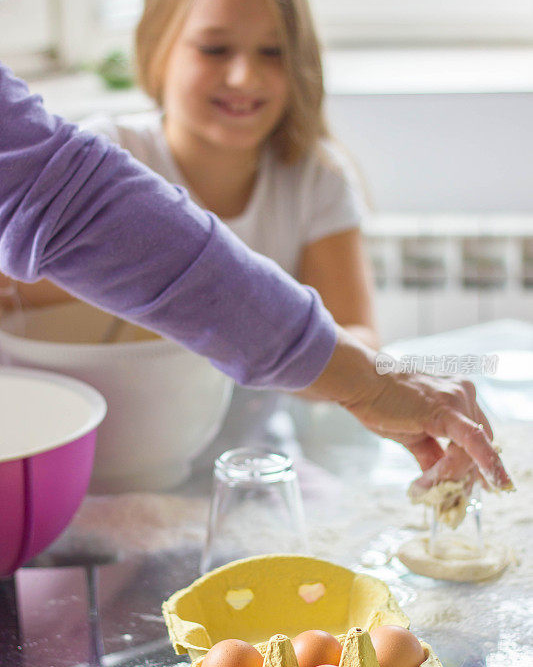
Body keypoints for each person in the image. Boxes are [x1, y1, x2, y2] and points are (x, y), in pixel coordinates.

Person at [0, 60, 512, 495]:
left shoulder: (314, 174)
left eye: (270, 52)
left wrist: (366, 380)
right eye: (216, 48)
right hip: (90, 471)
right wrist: (365, 382)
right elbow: (67, 221)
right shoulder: (116, 144)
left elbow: (65, 202)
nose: (243, 74)